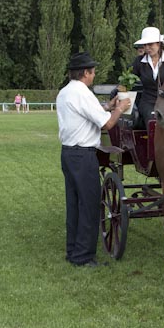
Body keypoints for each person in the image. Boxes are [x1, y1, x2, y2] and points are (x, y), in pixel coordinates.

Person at [57, 51, 131, 267]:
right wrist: (119, 109)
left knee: (74, 205)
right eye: (93, 71)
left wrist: (108, 107)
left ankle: (73, 250)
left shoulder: (65, 92)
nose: (94, 75)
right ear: (85, 73)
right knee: (89, 205)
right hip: (83, 155)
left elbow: (88, 112)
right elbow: (107, 124)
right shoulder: (83, 93)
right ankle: (84, 256)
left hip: (68, 153)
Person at [130, 27, 164, 128]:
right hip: (148, 102)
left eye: (150, 44)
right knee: (153, 121)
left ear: (159, 44)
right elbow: (128, 78)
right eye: (145, 45)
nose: (147, 48)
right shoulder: (139, 61)